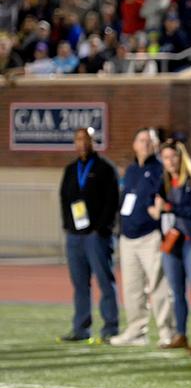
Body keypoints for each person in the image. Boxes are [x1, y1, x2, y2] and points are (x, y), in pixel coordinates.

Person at [110, 128, 174, 347]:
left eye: (149, 141)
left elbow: (165, 198)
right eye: (141, 140)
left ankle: (168, 332)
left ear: (156, 145)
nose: (145, 144)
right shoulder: (131, 170)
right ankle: (136, 331)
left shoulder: (159, 169)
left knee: (159, 286)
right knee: (132, 287)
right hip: (128, 237)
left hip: (150, 236)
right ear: (134, 145)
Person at [58, 128, 120, 343]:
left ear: (94, 142)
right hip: (75, 236)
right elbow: (64, 199)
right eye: (78, 139)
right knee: (79, 284)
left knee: (105, 282)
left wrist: (101, 228)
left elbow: (112, 201)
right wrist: (68, 226)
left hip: (97, 236)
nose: (82, 143)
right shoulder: (70, 169)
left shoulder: (105, 168)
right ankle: (80, 329)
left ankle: (110, 328)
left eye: (86, 139)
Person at [149, 139, 191, 351]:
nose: (170, 161)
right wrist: (155, 209)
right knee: (175, 291)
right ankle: (180, 334)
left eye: (174, 157)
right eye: (166, 158)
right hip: (170, 241)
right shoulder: (163, 181)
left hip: (190, 240)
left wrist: (169, 207)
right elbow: (154, 204)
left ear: (182, 157)